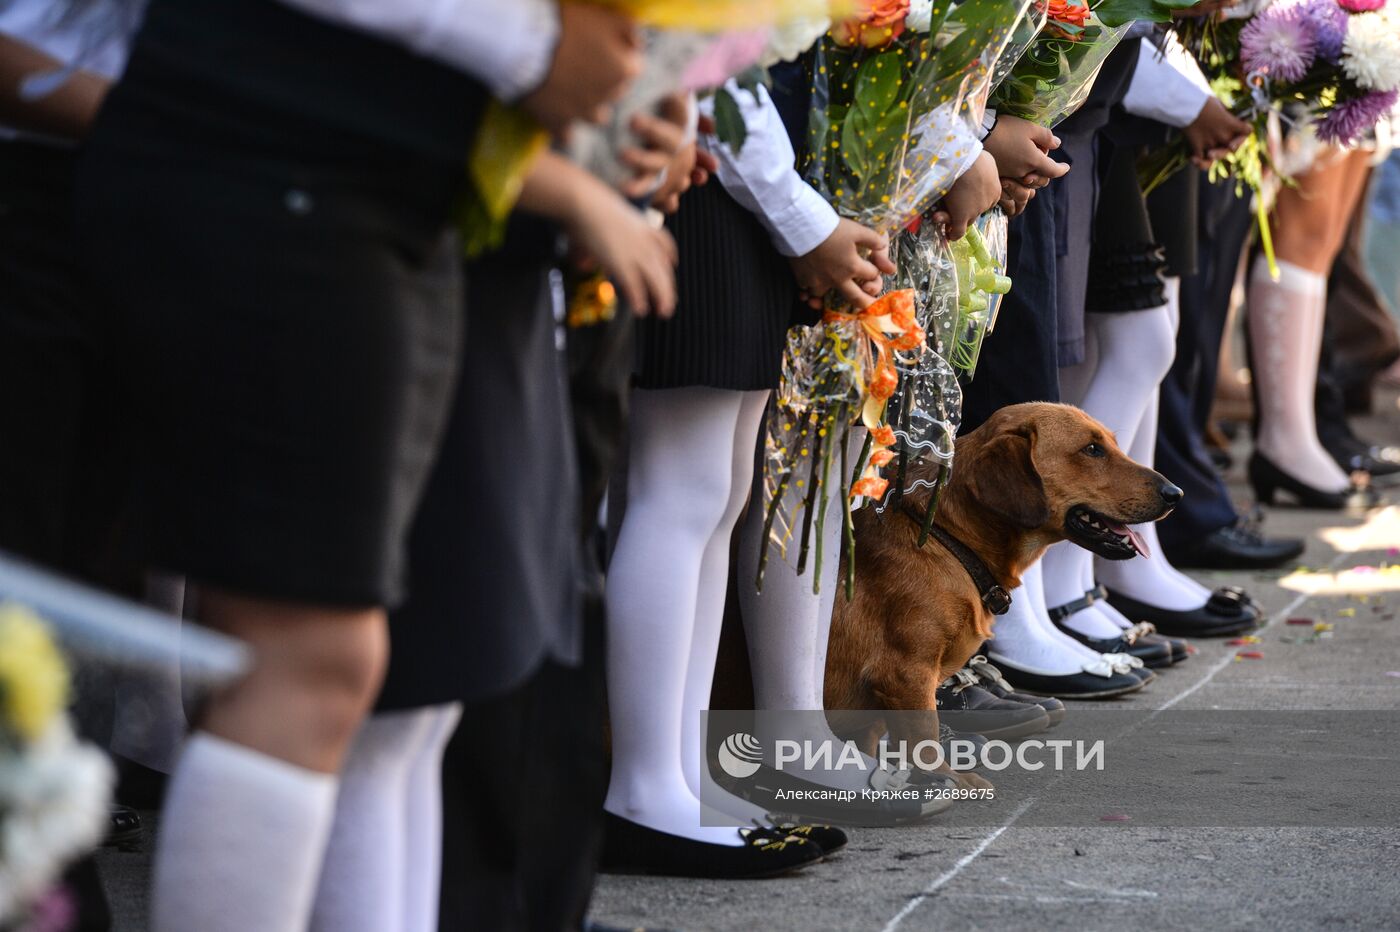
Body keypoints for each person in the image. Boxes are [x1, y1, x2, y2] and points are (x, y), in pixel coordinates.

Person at [72, 1, 641, 929]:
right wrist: (538, 49)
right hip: (284, 160)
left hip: (384, 178)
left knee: (381, 679)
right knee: (307, 659)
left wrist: (619, 104)